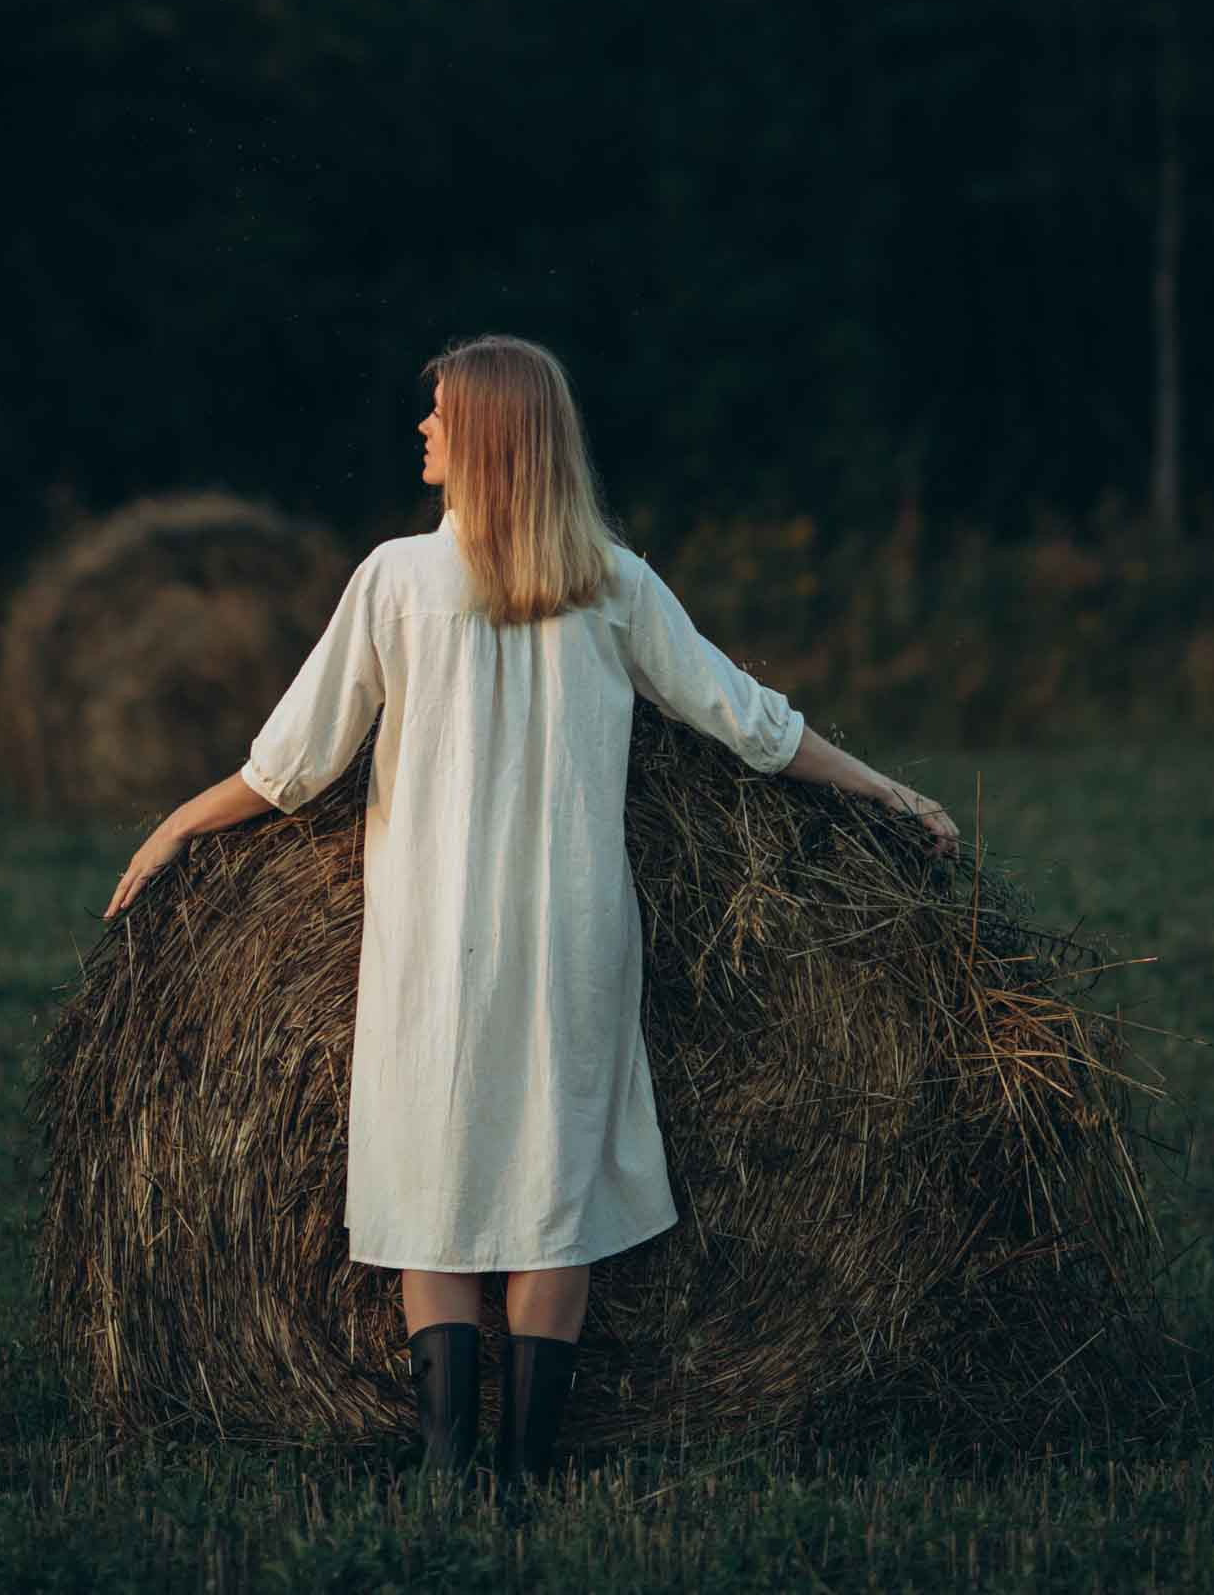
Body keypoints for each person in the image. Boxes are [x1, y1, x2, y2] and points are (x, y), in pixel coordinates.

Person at [104, 333, 959, 1504]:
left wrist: (176, 826)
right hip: (570, 940)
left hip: (429, 941)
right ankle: (524, 1476)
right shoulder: (613, 583)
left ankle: (450, 1468)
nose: (421, 431)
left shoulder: (395, 580)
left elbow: (292, 767)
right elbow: (750, 724)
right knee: (552, 1195)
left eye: (439, 414)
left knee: (429, 1184)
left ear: (489, 434)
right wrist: (883, 787)